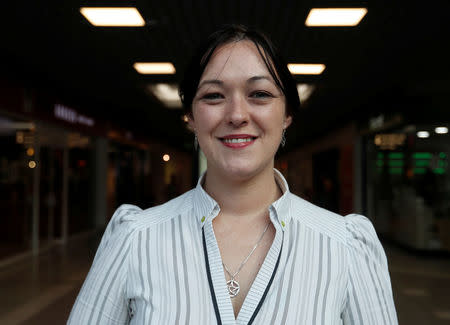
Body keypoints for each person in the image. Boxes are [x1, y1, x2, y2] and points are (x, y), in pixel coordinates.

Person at [68, 25, 398, 324]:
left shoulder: (345, 246)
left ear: (287, 115)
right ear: (191, 118)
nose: (237, 115)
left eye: (260, 94)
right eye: (213, 96)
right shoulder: (135, 239)